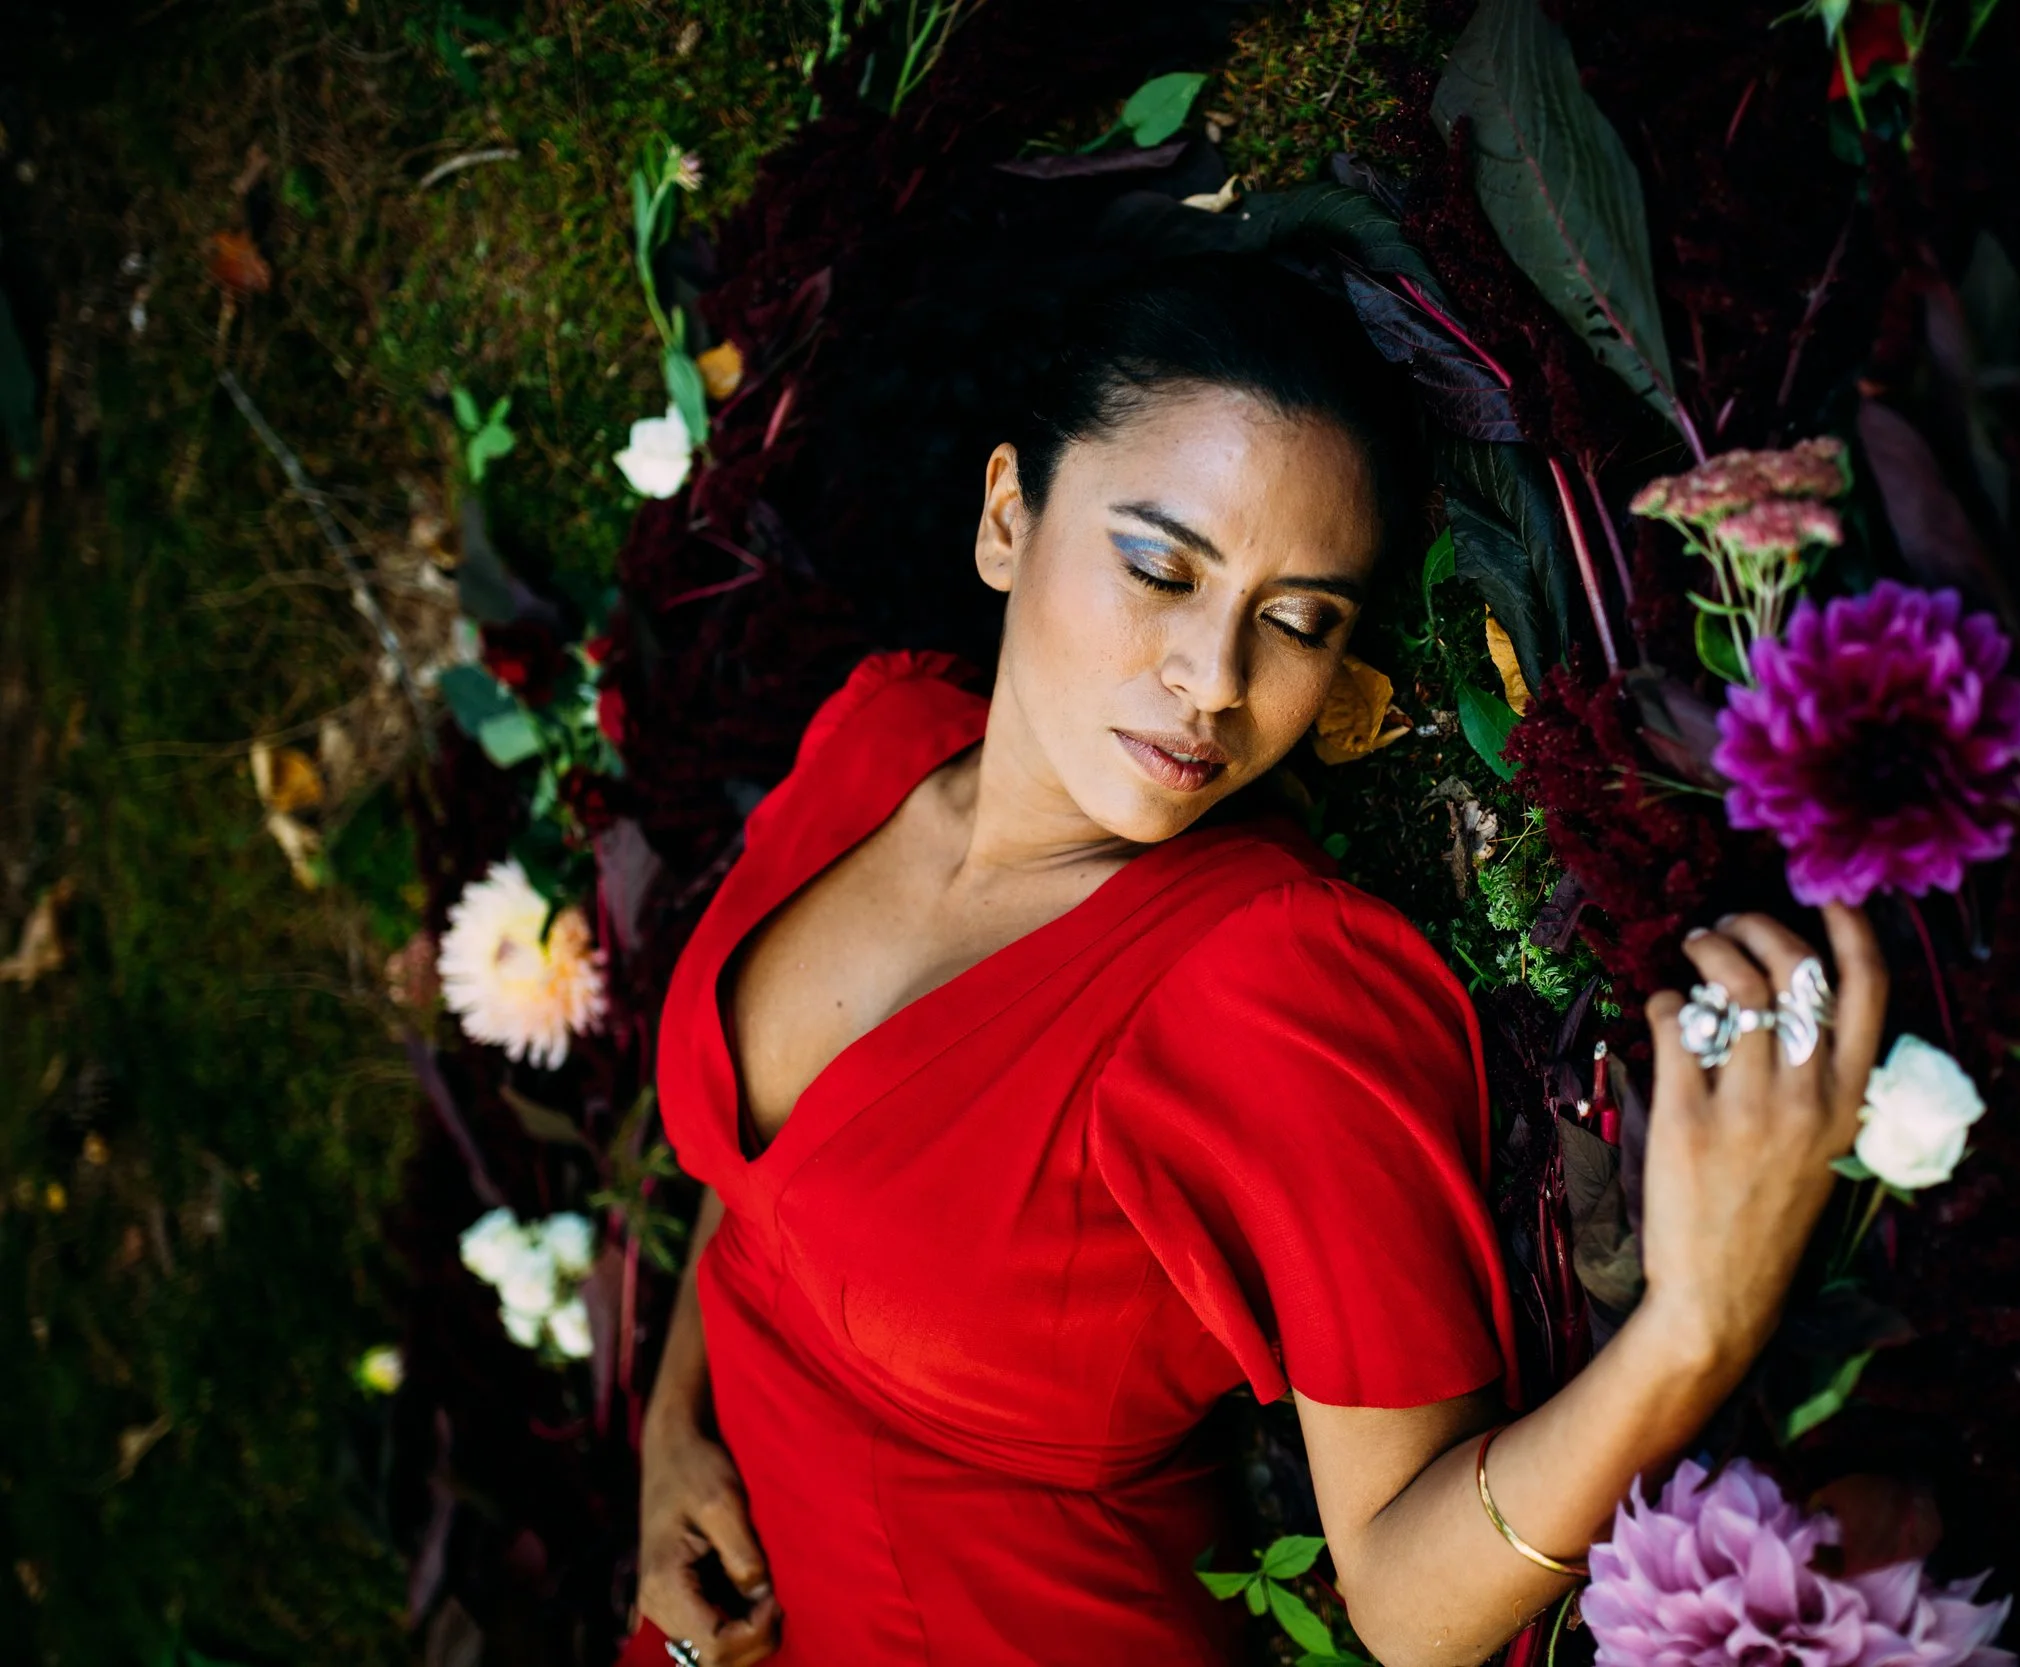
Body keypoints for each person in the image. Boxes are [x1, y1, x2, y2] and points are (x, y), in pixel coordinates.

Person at [623, 256, 1886, 1667]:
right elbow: (760, 1196)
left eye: (1297, 623)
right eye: (1161, 565)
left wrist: (1697, 1328)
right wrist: (669, 1438)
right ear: (1006, 516)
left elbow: (1409, 1602)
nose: (1215, 678)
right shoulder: (879, 734)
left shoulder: (1280, 983)